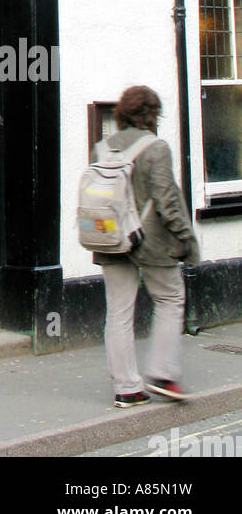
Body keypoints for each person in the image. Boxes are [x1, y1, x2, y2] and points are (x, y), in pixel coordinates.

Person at [94, 86, 200, 409]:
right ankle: (163, 374)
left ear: (123, 114)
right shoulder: (157, 149)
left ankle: (126, 388)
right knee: (170, 298)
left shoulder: (102, 148)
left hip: (112, 240)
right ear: (153, 115)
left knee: (119, 312)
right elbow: (168, 202)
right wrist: (187, 240)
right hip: (150, 243)